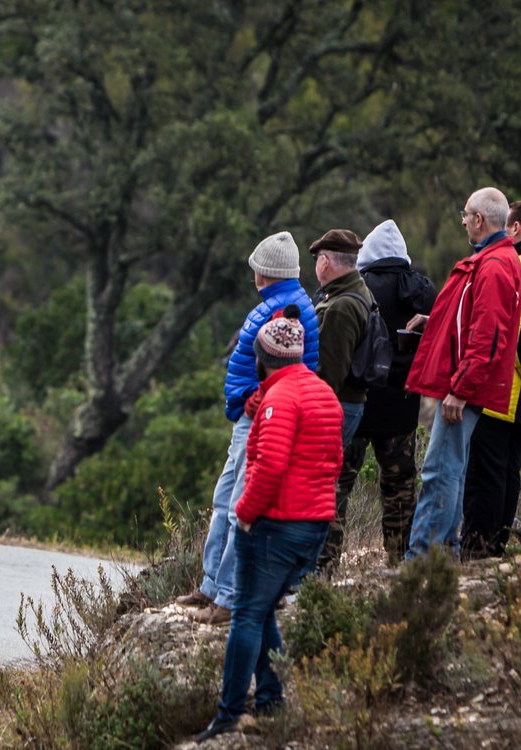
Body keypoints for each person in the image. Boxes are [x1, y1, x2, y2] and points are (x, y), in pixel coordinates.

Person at [195, 306, 342, 742]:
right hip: (314, 525)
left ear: (264, 357)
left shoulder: (280, 400)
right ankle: (272, 699)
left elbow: (271, 465)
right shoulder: (323, 393)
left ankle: (228, 712)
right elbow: (335, 460)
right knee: (263, 611)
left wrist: (243, 513)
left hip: (277, 524)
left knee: (245, 613)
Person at [176, 232, 320, 625]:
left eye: (257, 267)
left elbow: (287, 363)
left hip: (259, 416)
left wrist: (255, 402)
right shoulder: (281, 303)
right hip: (250, 413)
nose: (253, 273)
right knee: (225, 498)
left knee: (240, 502)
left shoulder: (286, 309)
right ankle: (211, 586)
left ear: (267, 271)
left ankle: (228, 595)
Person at [403, 187, 521, 561]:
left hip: (464, 388)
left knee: (440, 469)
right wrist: (433, 321)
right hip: (467, 384)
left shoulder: (493, 265)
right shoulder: (494, 261)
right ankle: (445, 550)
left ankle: (425, 557)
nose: (462, 220)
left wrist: (460, 389)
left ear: (479, 220)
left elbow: (488, 337)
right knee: (451, 467)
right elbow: (470, 318)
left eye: (466, 214)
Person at [334, 220, 436, 563]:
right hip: (403, 406)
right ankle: (399, 561)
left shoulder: (358, 289)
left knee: (338, 488)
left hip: (357, 405)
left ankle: (325, 563)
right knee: (400, 489)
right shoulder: (423, 291)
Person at [461, 199, 521, 558]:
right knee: (510, 472)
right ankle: (496, 548)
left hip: (510, 389)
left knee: (487, 473)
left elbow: (515, 327)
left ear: (514, 229)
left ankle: (477, 549)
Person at [307, 229, 374, 571]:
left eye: (318, 259)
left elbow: (329, 373)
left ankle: (318, 567)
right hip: (345, 404)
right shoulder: (349, 293)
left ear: (325, 262)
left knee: (322, 488)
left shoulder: (342, 305)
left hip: (336, 405)